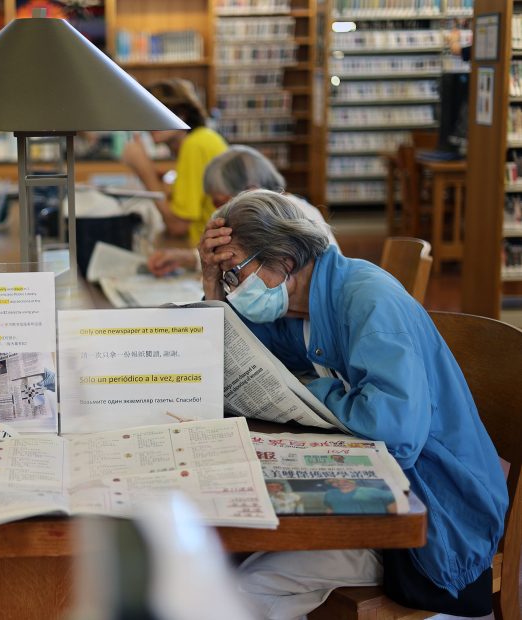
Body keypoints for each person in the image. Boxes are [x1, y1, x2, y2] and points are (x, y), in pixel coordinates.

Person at [200, 189, 507, 618]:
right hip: (381, 488)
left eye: (236, 273)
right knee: (218, 563)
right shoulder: (296, 305)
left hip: (435, 515)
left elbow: (395, 436)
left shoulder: (369, 300)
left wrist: (310, 390)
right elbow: (233, 358)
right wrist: (212, 286)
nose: (235, 289)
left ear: (285, 261)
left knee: (242, 591)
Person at [147, 144, 336, 277]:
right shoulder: (267, 217)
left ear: (251, 191)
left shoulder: (294, 216)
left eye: (221, 202)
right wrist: (186, 258)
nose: (218, 211)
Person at [121, 78, 228, 246]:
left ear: (182, 113)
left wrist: (144, 169)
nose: (149, 123)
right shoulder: (203, 138)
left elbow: (177, 226)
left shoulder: (195, 145)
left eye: (156, 113)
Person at [322, 478, 396, 515]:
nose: (341, 483)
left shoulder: (375, 492)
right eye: (335, 481)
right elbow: (330, 510)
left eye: (346, 479)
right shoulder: (330, 494)